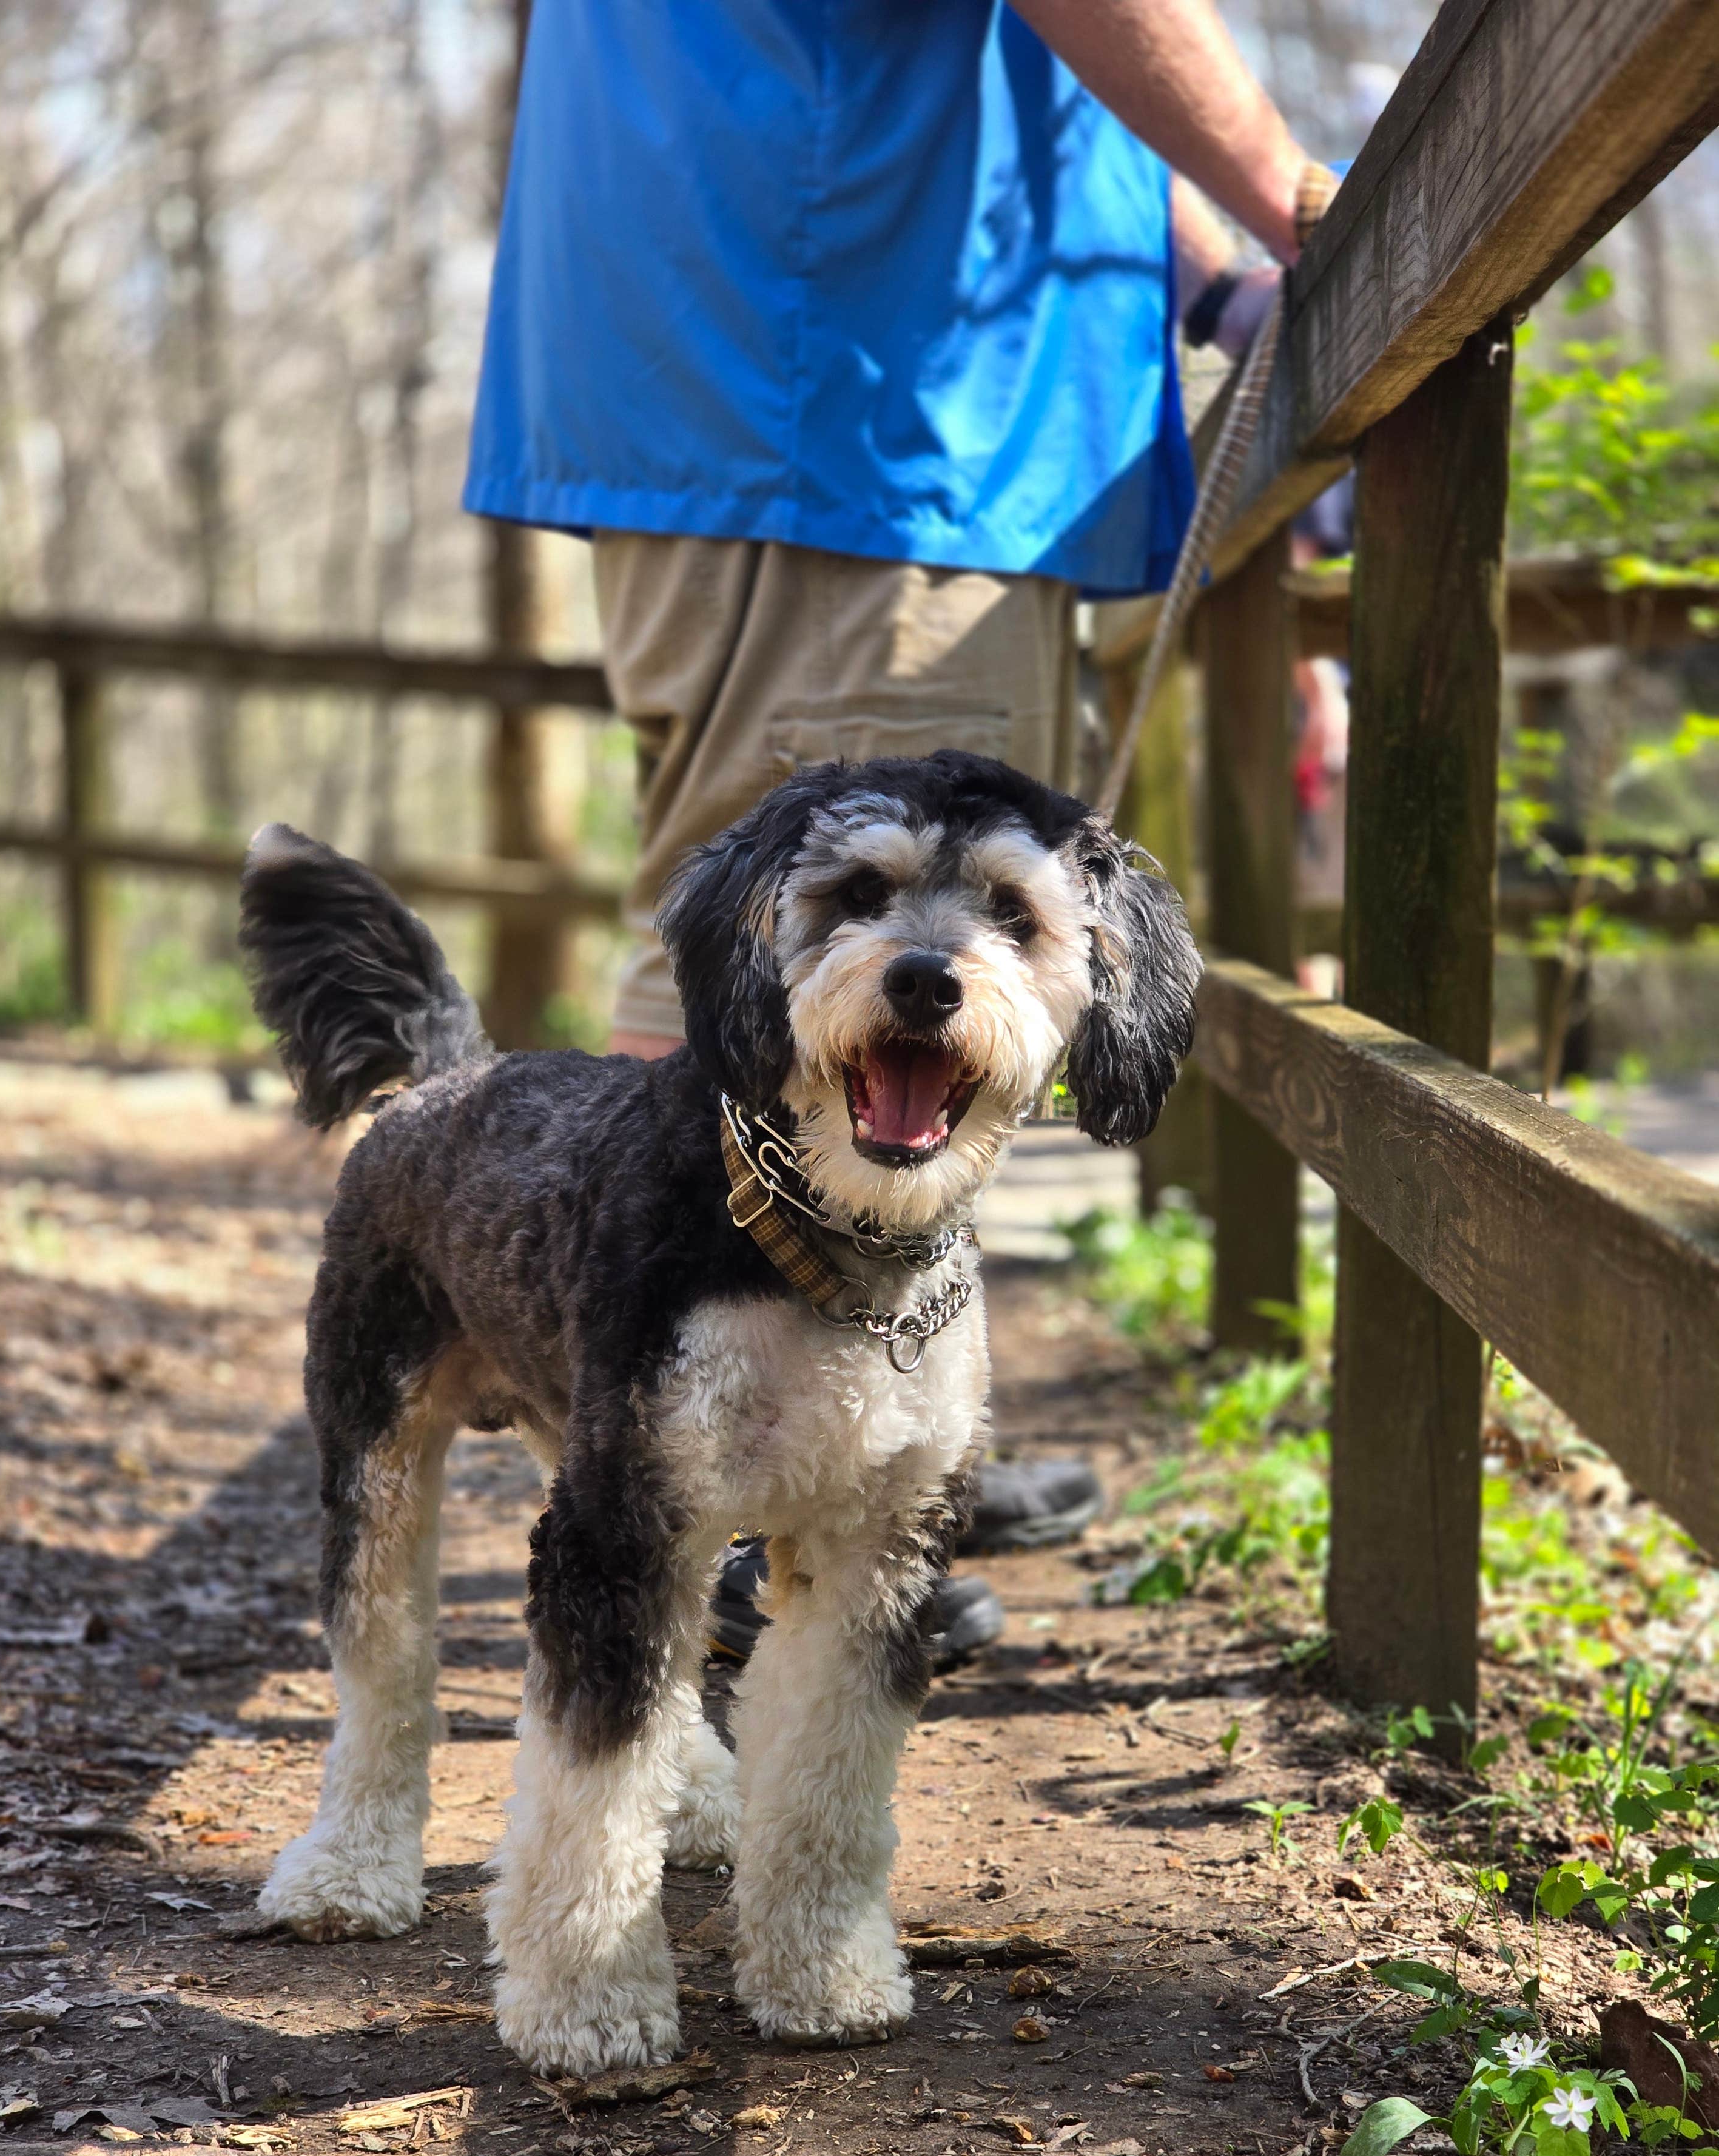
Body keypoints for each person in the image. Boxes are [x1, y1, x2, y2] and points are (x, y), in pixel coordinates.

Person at [465, 0, 1335, 1665]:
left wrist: (1209, 256)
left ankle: (825, 1439)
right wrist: (1298, 200)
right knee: (793, 934)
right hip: (861, 376)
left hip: (822, 359)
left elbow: (1030, 67)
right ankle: (683, 1504)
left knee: (805, 929)